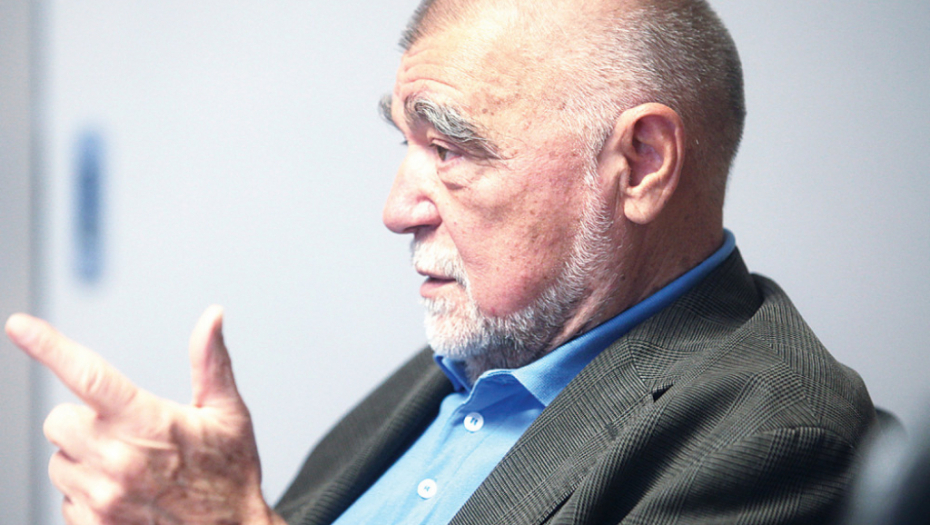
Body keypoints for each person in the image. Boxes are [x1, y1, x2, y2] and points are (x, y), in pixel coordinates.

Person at [5, 0, 875, 524]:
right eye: (406, 143)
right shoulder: (478, 358)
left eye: (451, 149)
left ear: (640, 164)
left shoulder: (779, 438)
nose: (397, 209)